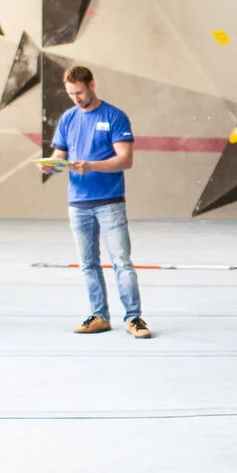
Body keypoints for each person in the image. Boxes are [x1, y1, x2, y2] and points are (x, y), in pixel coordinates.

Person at [40, 65, 151, 338]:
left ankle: (134, 318)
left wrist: (91, 166)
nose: (76, 98)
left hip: (110, 201)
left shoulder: (114, 116)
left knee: (121, 261)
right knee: (88, 263)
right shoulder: (68, 119)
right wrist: (50, 166)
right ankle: (99, 315)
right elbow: (59, 155)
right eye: (70, 94)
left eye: (79, 92)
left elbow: (125, 159)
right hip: (78, 203)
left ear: (91, 85)